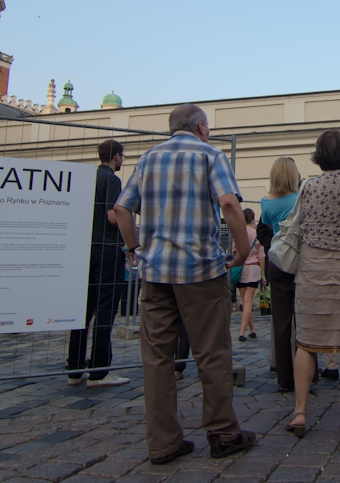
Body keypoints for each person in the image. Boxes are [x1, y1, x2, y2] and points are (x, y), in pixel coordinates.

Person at [114, 104, 255, 464]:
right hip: (201, 272)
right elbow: (229, 203)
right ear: (202, 127)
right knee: (212, 354)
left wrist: (134, 249)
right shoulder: (211, 155)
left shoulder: (147, 159)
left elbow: (122, 210)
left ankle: (163, 443)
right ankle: (223, 434)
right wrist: (242, 249)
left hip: (155, 273)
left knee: (157, 359)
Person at [285, 130, 340, 439]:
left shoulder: (309, 187)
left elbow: (299, 223)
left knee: (307, 341)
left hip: (314, 267)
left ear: (319, 154)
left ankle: (299, 413)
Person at [66, 139, 130, 387]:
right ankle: (99, 371)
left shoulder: (89, 178)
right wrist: (131, 228)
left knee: (83, 310)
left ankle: (75, 367)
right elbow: (114, 216)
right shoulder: (111, 180)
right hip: (107, 250)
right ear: (115, 157)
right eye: (122, 156)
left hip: (87, 249)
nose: (122, 160)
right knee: (105, 311)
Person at [261, 157, 301, 393]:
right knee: (304, 321)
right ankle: (309, 373)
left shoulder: (266, 202)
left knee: (281, 322)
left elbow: (266, 224)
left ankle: (284, 379)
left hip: (276, 260)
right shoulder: (300, 199)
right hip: (299, 260)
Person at [235, 208, 265, 342]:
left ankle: (252, 330)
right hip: (253, 269)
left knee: (244, 301)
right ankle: (242, 332)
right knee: (248, 302)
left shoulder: (238, 232)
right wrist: (263, 275)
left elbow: (234, 250)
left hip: (240, 269)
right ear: (253, 218)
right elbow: (261, 256)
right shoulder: (256, 233)